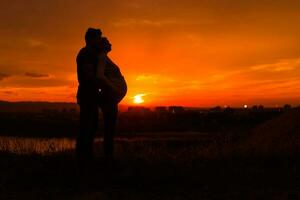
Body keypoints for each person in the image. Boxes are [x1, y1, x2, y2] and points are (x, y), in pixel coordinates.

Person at [75, 28, 126, 172]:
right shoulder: (85, 54)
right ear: (90, 39)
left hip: (94, 96)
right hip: (87, 96)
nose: (100, 40)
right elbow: (91, 77)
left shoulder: (95, 54)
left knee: (91, 127)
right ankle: (83, 162)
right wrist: (109, 89)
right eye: (98, 38)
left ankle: (90, 160)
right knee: (87, 128)